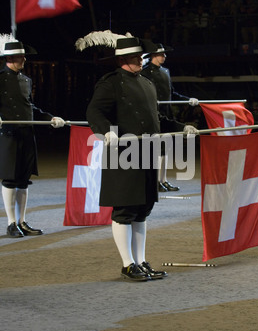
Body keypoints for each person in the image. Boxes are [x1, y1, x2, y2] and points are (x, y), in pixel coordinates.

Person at [80, 33, 197, 281]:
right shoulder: (110, 83)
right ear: (123, 59)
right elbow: (95, 112)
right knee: (124, 209)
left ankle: (141, 261)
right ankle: (127, 264)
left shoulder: (147, 83)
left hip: (147, 151)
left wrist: (181, 127)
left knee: (143, 208)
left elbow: (157, 120)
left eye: (140, 57)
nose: (141, 61)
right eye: (136, 57)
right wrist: (105, 133)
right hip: (123, 153)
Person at [0, 37, 65, 238]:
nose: (25, 59)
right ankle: (11, 223)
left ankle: (22, 221)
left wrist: (50, 118)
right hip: (8, 135)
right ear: (11, 57)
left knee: (23, 180)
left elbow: (29, 107)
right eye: (21, 56)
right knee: (10, 180)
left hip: (26, 133)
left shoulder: (25, 80)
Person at [142, 42, 198, 192]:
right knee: (155, 149)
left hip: (166, 114)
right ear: (153, 55)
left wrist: (188, 100)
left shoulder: (165, 71)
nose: (164, 56)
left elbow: (172, 94)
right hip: (152, 115)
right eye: (161, 54)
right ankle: (155, 182)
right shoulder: (144, 73)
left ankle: (163, 180)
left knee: (165, 149)